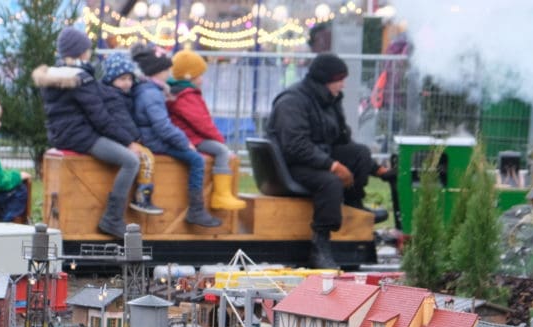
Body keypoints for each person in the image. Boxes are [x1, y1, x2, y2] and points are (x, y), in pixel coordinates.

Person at [266, 53, 390, 269]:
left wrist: (376, 169)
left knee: (359, 153)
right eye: (339, 79)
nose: (342, 85)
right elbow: (295, 146)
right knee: (330, 181)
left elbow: (342, 139)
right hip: (289, 165)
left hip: (317, 156)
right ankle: (320, 245)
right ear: (324, 80)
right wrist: (332, 165)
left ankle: (353, 206)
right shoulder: (292, 101)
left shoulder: (329, 100)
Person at [34, 27, 141, 238]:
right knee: (131, 161)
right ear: (81, 52)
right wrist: (128, 141)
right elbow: (100, 118)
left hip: (62, 134)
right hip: (81, 137)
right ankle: (112, 218)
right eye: (87, 49)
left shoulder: (55, 76)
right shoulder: (81, 78)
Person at [130, 44, 221, 228]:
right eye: (166, 69)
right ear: (157, 72)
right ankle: (196, 210)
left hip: (150, 137)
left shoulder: (150, 90)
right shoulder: (151, 94)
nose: (169, 73)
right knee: (196, 160)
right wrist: (184, 142)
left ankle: (196, 209)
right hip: (153, 141)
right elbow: (163, 126)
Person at [166, 50, 245, 212]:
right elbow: (202, 123)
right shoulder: (186, 95)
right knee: (222, 151)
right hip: (191, 138)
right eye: (199, 76)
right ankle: (220, 195)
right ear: (189, 76)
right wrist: (220, 140)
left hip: (190, 136)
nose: (202, 80)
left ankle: (221, 193)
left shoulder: (180, 92)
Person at [100, 52, 163, 215]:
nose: (127, 83)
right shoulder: (113, 97)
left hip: (122, 137)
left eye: (129, 79)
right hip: (120, 138)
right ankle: (142, 197)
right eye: (122, 79)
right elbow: (124, 122)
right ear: (110, 79)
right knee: (146, 157)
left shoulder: (123, 94)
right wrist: (136, 139)